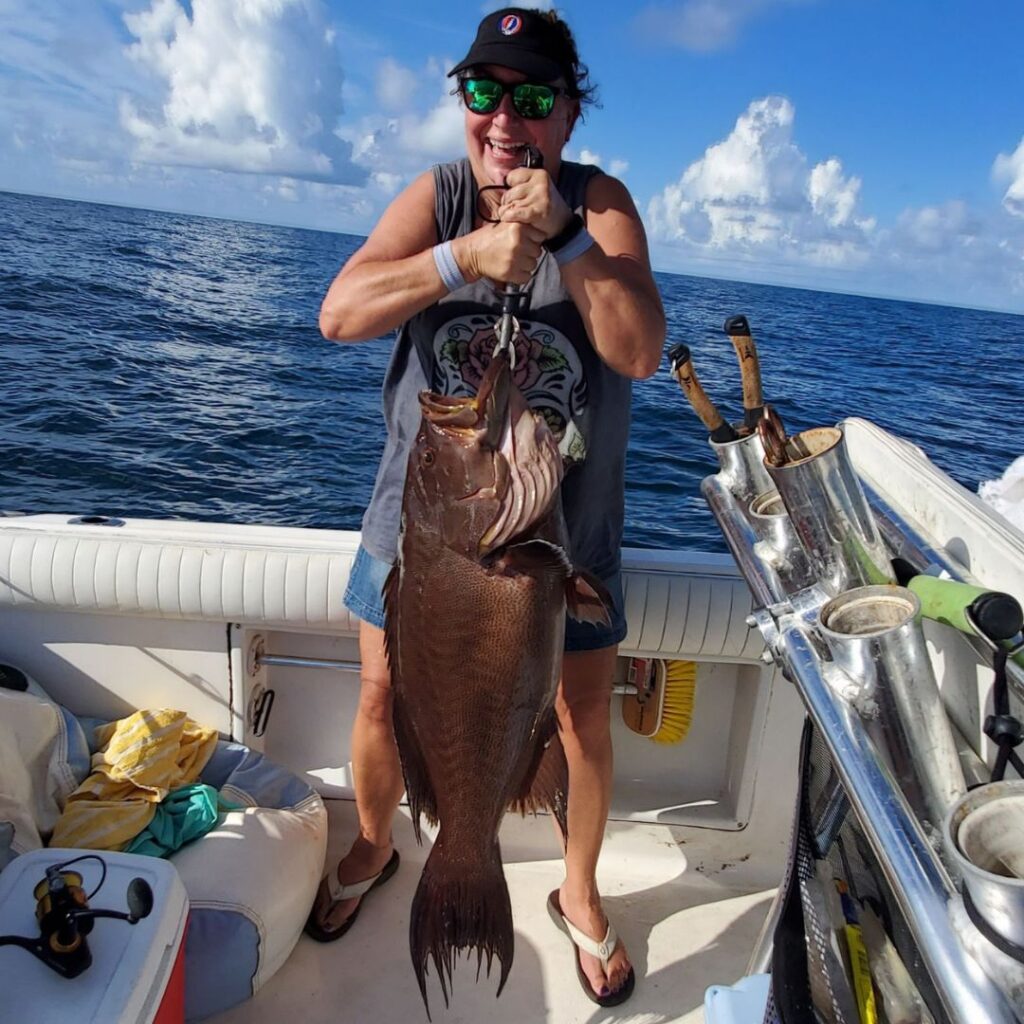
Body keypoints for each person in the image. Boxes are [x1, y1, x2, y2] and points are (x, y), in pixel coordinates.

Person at [306, 6, 665, 1007]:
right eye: (482, 92)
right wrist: (458, 259)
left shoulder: (602, 206)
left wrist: (565, 245)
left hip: (561, 539)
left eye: (533, 97)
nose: (504, 118)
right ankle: (378, 845)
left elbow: (636, 348)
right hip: (421, 529)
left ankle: (579, 893)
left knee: (581, 716)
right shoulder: (441, 195)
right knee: (383, 697)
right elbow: (339, 312)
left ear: (568, 112)